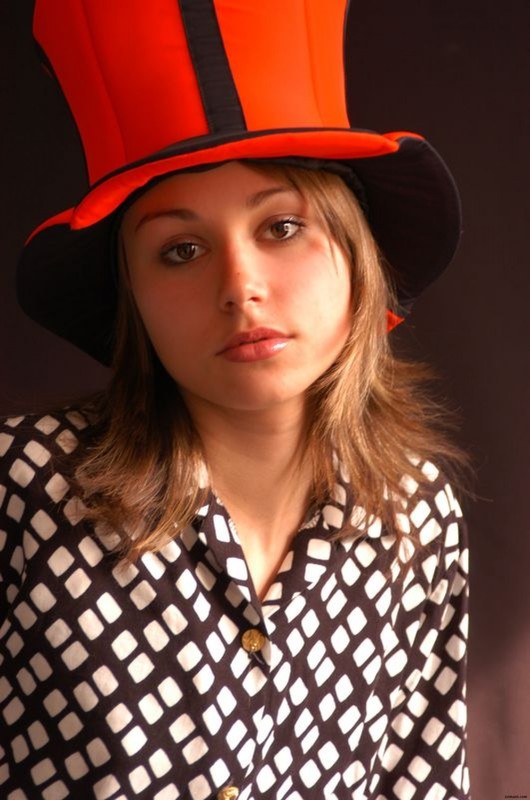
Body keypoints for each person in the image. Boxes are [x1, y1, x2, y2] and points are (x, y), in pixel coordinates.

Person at [0, 1, 470, 798]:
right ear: (132, 298)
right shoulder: (22, 489)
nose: (240, 286)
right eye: (181, 250)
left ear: (356, 254)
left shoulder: (417, 513)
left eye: (281, 227)